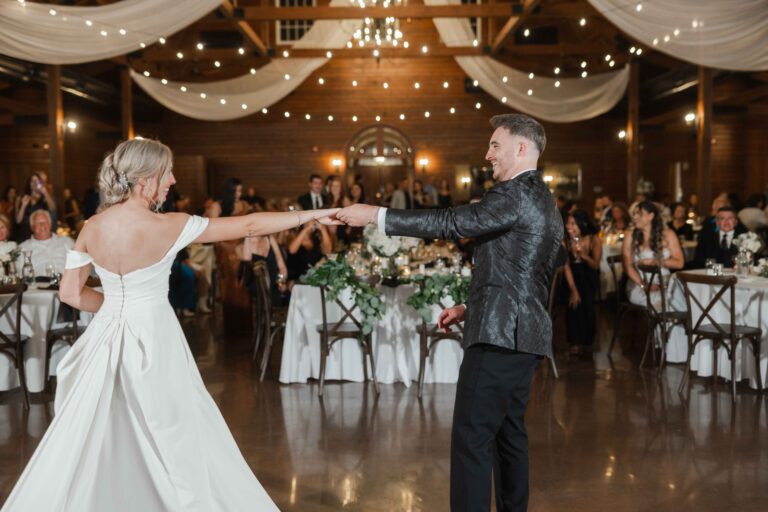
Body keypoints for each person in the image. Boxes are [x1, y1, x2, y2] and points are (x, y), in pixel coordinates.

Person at [1, 138, 341, 511]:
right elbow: (249, 225)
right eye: (167, 173)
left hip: (104, 340)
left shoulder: (92, 227)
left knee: (103, 432)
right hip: (155, 339)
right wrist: (309, 216)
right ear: (145, 179)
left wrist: (116, 307)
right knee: (173, 431)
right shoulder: (171, 225)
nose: (173, 180)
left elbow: (70, 293)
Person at [338, 114, 563, 512]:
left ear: (521, 148)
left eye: (495, 145)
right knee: (509, 437)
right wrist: (467, 306)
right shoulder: (542, 196)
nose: (487, 154)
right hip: (523, 338)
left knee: (471, 440)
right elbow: (526, 272)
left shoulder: (513, 194)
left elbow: (452, 222)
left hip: (498, 338)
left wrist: (377, 215)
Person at [623, 201, 684, 307]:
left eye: (639, 213)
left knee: (681, 301)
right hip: (638, 283)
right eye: (634, 214)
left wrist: (655, 262)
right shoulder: (630, 235)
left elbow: (679, 263)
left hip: (665, 282)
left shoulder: (668, 234)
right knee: (662, 305)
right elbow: (628, 267)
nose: (635, 217)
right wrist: (644, 285)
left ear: (651, 216)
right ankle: (664, 322)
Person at [562, 209, 601, 355]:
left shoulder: (593, 239)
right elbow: (566, 266)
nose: (569, 227)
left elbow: (596, 265)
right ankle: (574, 341)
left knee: (588, 307)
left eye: (573, 224)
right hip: (571, 277)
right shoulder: (565, 241)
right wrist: (573, 290)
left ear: (582, 224)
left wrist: (583, 255)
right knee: (573, 305)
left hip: (589, 276)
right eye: (568, 223)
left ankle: (587, 340)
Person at [17, 209, 73, 276]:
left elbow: (79, 264)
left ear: (50, 224)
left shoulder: (66, 241)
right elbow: (19, 273)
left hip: (66, 283)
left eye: (45, 222)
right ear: (32, 227)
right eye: (38, 223)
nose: (42, 225)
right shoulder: (23, 247)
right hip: (38, 284)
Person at [15, 173, 56, 241]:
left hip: (40, 234)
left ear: (41, 183)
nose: (34, 183)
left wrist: (45, 192)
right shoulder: (22, 198)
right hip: (24, 235)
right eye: (32, 181)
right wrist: (23, 205)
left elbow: (53, 208)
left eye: (36, 181)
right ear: (29, 183)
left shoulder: (45, 198)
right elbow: (18, 220)